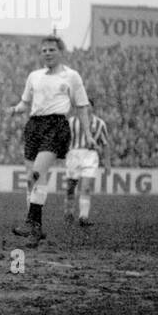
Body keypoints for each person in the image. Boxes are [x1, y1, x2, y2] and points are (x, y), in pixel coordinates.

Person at [9, 37, 90, 244]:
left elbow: (81, 106)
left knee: (37, 174)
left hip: (56, 126)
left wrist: (88, 133)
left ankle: (30, 222)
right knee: (31, 180)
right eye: (44, 50)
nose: (47, 53)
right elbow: (25, 102)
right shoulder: (34, 76)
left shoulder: (71, 76)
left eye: (52, 49)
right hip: (34, 125)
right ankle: (36, 228)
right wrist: (15, 109)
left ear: (60, 51)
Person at [64, 97, 110, 226]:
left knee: (86, 187)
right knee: (70, 187)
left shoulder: (100, 124)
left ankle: (83, 217)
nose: (86, 108)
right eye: (83, 106)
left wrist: (107, 163)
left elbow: (105, 144)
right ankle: (69, 212)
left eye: (88, 105)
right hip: (74, 155)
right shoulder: (71, 122)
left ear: (92, 107)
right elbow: (64, 140)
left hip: (90, 155)